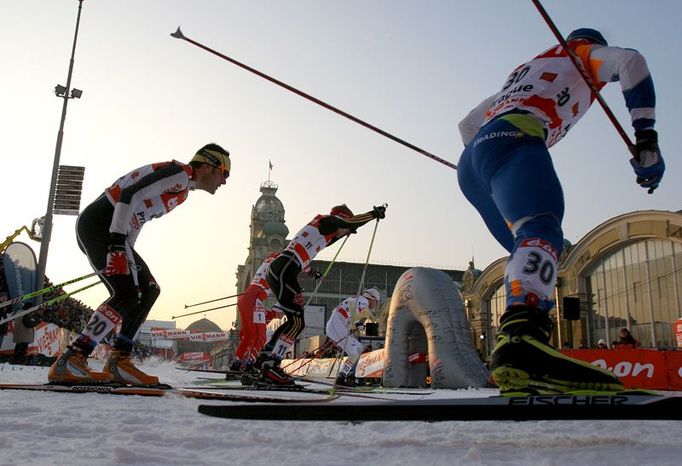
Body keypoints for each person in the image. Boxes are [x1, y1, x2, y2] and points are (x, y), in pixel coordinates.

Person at [457, 28, 663, 395]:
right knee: (542, 229)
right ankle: (523, 343)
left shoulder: (526, 70)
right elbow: (632, 61)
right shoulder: (583, 55)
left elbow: (468, 124)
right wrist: (646, 140)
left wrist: (487, 157)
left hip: (472, 163)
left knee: (531, 246)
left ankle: (523, 347)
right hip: (516, 139)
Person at [48, 143, 231, 386]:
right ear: (208, 166)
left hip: (113, 229)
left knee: (148, 290)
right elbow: (129, 194)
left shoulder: (183, 190)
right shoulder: (179, 174)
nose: (224, 182)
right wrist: (116, 243)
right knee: (127, 294)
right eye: (224, 173)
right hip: (101, 224)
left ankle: (119, 360)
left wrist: (126, 247)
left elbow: (137, 216)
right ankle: (73, 358)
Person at [252, 203, 386, 385]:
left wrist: (313, 272)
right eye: (345, 230)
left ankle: (263, 360)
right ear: (341, 219)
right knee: (298, 322)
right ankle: (271, 365)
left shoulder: (324, 231)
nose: (345, 234)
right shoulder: (327, 222)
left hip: (282, 269)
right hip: (285, 269)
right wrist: (372, 215)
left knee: (294, 321)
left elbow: (333, 236)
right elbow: (351, 223)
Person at [230, 252, 283, 373]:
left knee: (249, 336)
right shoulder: (279, 259)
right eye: (283, 314)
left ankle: (236, 363)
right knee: (260, 337)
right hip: (254, 298)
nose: (282, 317)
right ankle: (250, 365)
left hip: (247, 298)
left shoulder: (270, 260)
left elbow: (258, 322)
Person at [325, 287, 381, 387]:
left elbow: (350, 311)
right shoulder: (364, 301)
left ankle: (350, 374)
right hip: (337, 323)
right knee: (353, 353)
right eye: (376, 302)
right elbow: (352, 307)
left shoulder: (361, 301)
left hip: (338, 324)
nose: (376, 304)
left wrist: (353, 326)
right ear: (372, 299)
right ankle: (341, 377)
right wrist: (357, 323)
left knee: (359, 348)